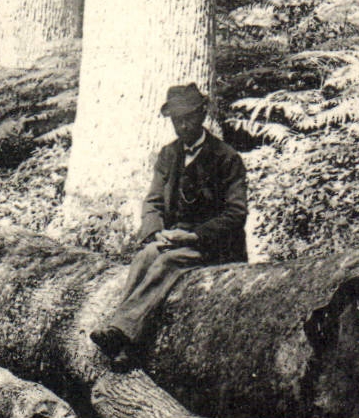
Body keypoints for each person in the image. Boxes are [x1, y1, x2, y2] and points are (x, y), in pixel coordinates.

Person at [89, 82, 247, 360]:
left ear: (201, 116)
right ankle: (119, 330)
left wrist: (195, 236)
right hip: (173, 239)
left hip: (213, 245)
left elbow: (236, 213)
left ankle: (123, 335)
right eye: (177, 120)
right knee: (146, 256)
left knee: (166, 262)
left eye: (188, 118)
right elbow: (153, 202)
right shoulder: (168, 154)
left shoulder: (226, 158)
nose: (183, 126)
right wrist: (156, 233)